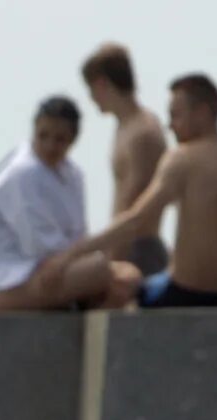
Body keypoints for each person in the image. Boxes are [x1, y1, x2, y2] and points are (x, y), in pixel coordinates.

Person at [90, 73, 217, 308]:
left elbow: (136, 219)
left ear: (202, 112)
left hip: (187, 292)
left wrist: (74, 253)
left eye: (176, 115)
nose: (170, 125)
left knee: (114, 291)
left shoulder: (182, 158)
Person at [0, 97, 143, 315]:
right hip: (11, 279)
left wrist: (75, 257)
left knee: (129, 276)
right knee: (99, 270)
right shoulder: (22, 173)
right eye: (43, 136)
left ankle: (81, 324)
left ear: (73, 140)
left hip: (58, 268)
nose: (50, 146)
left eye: (60, 139)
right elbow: (40, 247)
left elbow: (77, 236)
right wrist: (104, 240)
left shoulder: (73, 175)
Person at [81, 42, 170, 277]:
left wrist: (113, 259)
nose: (92, 99)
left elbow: (134, 205)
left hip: (139, 250)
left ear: (101, 84)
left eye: (90, 91)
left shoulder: (143, 132)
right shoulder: (125, 127)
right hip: (124, 247)